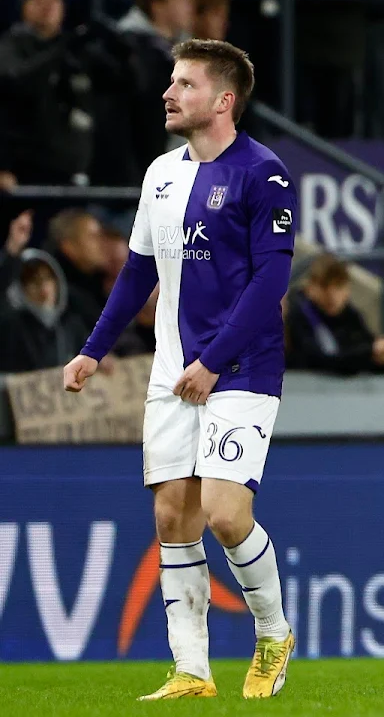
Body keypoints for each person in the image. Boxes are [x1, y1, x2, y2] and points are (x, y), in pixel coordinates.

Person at [61, 39, 298, 701]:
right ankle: (191, 669)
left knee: (225, 513)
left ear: (224, 100)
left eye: (185, 83)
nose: (169, 93)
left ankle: (274, 632)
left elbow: (271, 279)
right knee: (173, 518)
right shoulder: (161, 173)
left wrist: (213, 361)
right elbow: (137, 272)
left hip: (242, 367)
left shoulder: (264, 173)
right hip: (174, 373)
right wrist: (93, 349)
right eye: (171, 81)